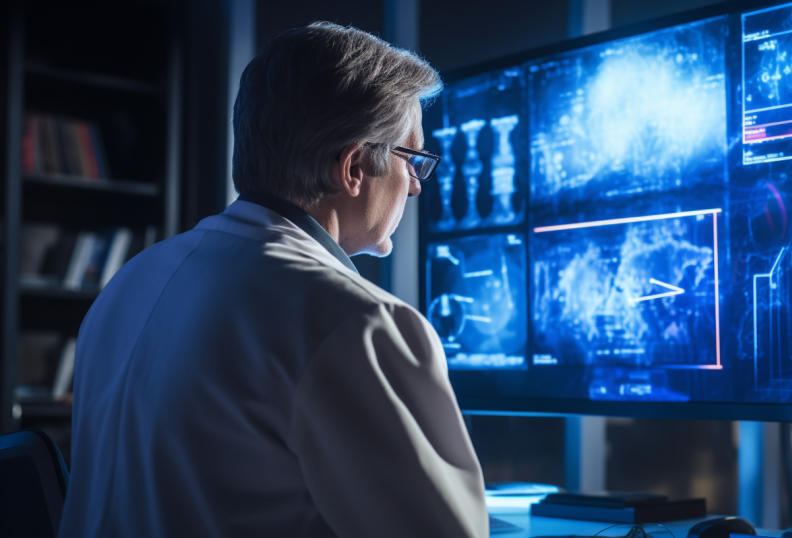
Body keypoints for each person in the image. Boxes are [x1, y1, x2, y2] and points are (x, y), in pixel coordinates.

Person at [59, 22, 488, 537]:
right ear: (352, 168)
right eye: (412, 159)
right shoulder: (357, 323)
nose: (416, 187)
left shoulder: (129, 283)